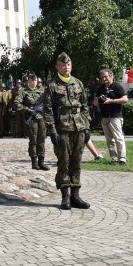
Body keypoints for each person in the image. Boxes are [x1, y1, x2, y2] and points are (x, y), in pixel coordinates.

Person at [43, 52, 91, 210]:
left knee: (76, 161)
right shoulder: (52, 86)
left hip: (79, 128)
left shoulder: (78, 83)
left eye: (68, 64)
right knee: (64, 162)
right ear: (57, 66)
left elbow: (84, 106)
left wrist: (87, 126)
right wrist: (52, 131)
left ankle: (76, 196)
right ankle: (66, 197)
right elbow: (48, 110)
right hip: (62, 130)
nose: (66, 67)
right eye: (63, 65)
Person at [94, 69, 129, 165]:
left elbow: (125, 100)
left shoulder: (117, 87)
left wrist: (111, 101)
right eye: (102, 77)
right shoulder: (100, 88)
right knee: (109, 139)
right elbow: (95, 102)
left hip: (115, 117)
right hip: (104, 117)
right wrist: (96, 99)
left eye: (106, 76)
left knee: (118, 137)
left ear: (111, 76)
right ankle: (113, 158)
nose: (104, 78)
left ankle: (122, 158)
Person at [14, 73, 48, 170]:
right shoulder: (23, 91)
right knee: (33, 140)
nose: (34, 82)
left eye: (35, 80)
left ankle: (41, 162)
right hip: (31, 118)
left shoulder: (42, 91)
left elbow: (48, 103)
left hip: (41, 118)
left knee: (41, 139)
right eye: (32, 80)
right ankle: (34, 162)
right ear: (28, 81)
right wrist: (27, 109)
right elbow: (16, 103)